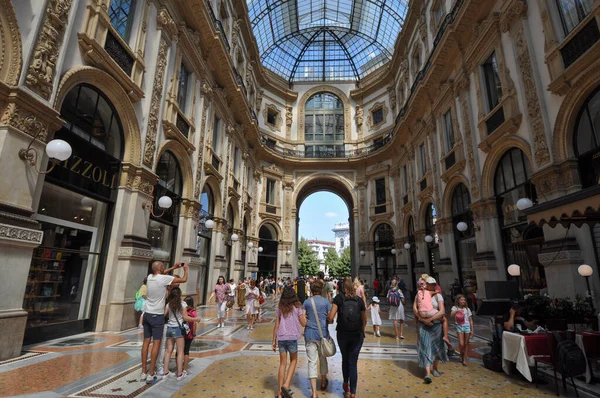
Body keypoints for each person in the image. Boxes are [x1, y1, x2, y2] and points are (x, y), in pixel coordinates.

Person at [140, 261, 188, 384]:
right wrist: (186, 269)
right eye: (163, 267)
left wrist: (172, 267)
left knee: (146, 342)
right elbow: (183, 279)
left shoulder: (150, 277)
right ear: (161, 268)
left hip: (147, 314)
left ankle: (143, 371)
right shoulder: (163, 279)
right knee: (157, 344)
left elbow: (160, 273)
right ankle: (152, 373)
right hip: (157, 316)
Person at [328, 276, 367, 398]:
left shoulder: (339, 298)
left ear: (342, 286)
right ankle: (353, 392)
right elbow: (365, 320)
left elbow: (331, 317)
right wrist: (361, 331)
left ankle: (346, 385)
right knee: (353, 363)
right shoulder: (359, 300)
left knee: (345, 359)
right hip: (357, 335)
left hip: (343, 334)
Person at [272, 286, 306, 398]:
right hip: (292, 338)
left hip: (281, 337)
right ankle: (286, 385)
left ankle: (279, 393)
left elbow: (276, 325)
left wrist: (273, 341)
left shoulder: (280, 307)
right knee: (294, 360)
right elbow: (303, 323)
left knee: (282, 364)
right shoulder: (297, 306)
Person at [413, 276, 448, 384]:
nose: (431, 286)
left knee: (437, 347)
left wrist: (431, 319)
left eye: (433, 284)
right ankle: (427, 373)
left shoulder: (438, 296)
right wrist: (422, 319)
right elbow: (415, 308)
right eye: (429, 284)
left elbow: (442, 311)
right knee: (425, 346)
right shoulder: (419, 294)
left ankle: (435, 368)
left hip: (436, 324)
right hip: (423, 324)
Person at [162, 287, 200, 381]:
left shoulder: (168, 305)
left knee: (168, 351)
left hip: (170, 329)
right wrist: (196, 319)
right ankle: (179, 374)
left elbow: (164, 315)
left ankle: (165, 372)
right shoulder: (183, 304)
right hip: (178, 330)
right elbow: (185, 318)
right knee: (180, 352)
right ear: (179, 295)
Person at [303, 280, 332, 398]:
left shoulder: (306, 302)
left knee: (312, 361)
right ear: (321, 290)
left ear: (311, 289)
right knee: (323, 358)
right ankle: (324, 381)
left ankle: (314, 393)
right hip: (322, 334)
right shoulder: (326, 302)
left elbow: (304, 320)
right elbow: (330, 318)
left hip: (309, 334)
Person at [451, 294, 474, 366]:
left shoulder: (467, 309)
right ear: (458, 301)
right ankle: (461, 353)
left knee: (466, 343)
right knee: (461, 343)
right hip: (459, 326)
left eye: (464, 300)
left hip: (467, 326)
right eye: (461, 300)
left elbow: (470, 320)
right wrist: (457, 311)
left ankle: (465, 359)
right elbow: (451, 315)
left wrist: (472, 329)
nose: (463, 301)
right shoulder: (455, 307)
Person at [183, 296, 197, 375]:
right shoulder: (193, 312)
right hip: (189, 334)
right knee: (186, 351)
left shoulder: (182, 311)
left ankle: (179, 367)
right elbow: (194, 324)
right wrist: (194, 333)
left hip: (181, 334)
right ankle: (185, 369)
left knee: (179, 351)